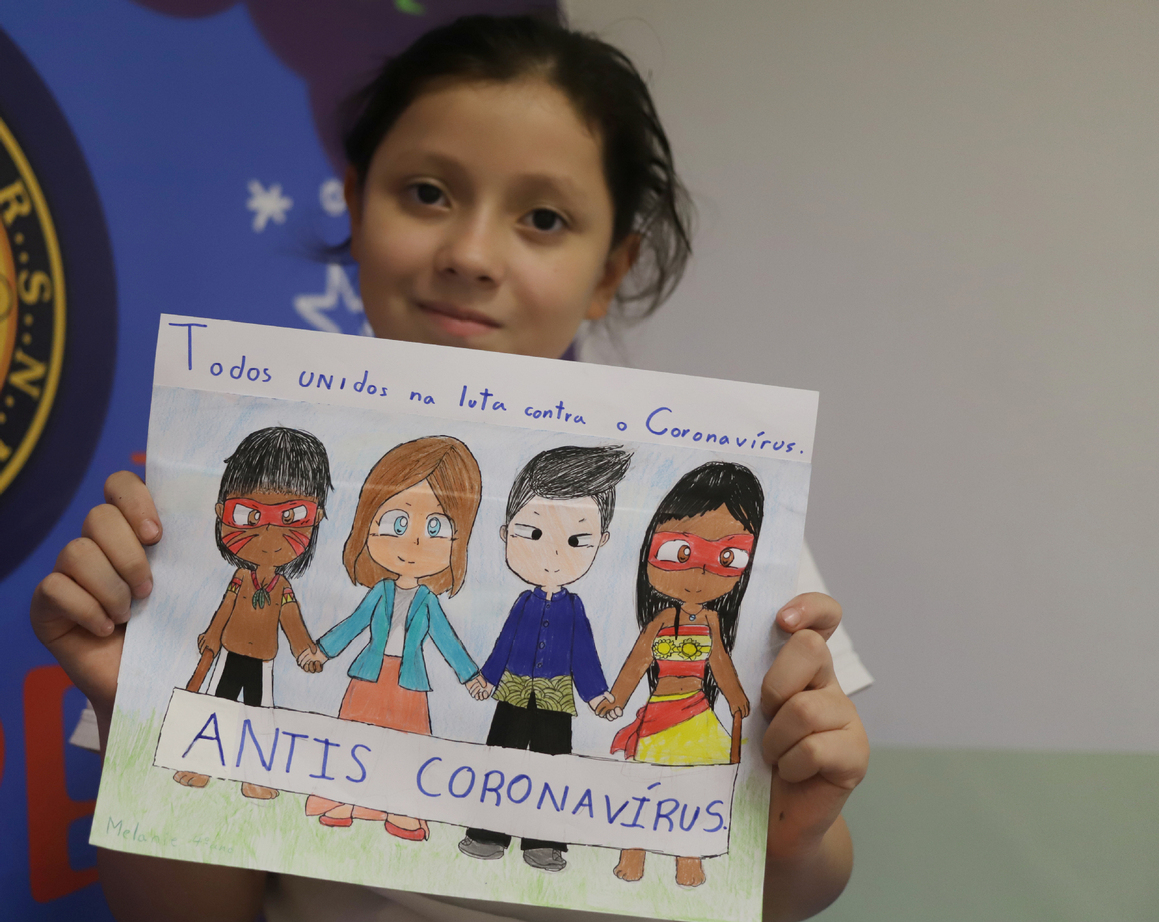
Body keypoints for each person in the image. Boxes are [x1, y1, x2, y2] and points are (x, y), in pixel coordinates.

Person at [29, 13, 869, 922]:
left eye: (543, 218)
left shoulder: (708, 529)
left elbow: (790, 891)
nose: (470, 254)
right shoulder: (228, 502)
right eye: (426, 193)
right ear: (354, 204)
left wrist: (795, 834)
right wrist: (130, 713)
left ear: (609, 267)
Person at [299, 436, 489, 841]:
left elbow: (447, 642)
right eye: (397, 523)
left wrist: (470, 675)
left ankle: (401, 811)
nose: (415, 541)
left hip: (408, 682)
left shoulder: (428, 601)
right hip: (369, 675)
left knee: (406, 746)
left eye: (436, 527)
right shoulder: (379, 593)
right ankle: (342, 801)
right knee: (355, 737)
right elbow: (352, 626)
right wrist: (321, 652)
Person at [458, 444, 630, 872]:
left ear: (601, 542)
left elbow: (584, 657)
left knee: (553, 771)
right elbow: (505, 645)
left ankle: (543, 843)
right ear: (506, 532)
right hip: (513, 691)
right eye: (532, 533)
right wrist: (486, 677)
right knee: (500, 759)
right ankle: (486, 833)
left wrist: (599, 697)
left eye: (575, 540)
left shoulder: (574, 608)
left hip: (556, 698)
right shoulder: (522, 602)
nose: (552, 552)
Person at [599, 461, 760, 888]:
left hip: (698, 714)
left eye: (726, 558)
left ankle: (688, 857)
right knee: (645, 786)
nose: (698, 574)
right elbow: (637, 661)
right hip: (659, 714)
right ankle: (632, 852)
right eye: (680, 553)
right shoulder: (660, 622)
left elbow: (720, 663)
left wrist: (735, 697)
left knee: (694, 789)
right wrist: (615, 698)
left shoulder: (710, 624)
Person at [173, 426, 332, 801]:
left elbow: (293, 624)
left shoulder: (282, 588)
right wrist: (211, 637)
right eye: (249, 514)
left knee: (259, 719)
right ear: (221, 512)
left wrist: (305, 651)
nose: (269, 530)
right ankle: (202, 766)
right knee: (218, 711)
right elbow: (225, 609)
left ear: (316, 518)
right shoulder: (239, 578)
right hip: (229, 653)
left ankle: (255, 776)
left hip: (263, 661)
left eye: (292, 515)